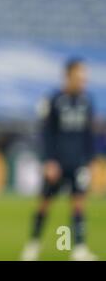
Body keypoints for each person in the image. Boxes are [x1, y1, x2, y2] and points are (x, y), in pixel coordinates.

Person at [21, 59, 97, 261]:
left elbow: (89, 135)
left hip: (77, 163)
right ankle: (33, 245)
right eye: (79, 77)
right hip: (56, 163)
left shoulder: (87, 101)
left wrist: (89, 162)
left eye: (84, 77)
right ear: (68, 76)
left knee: (79, 204)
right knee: (44, 204)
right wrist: (48, 161)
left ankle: (79, 249)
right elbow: (47, 133)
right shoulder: (55, 100)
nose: (83, 81)